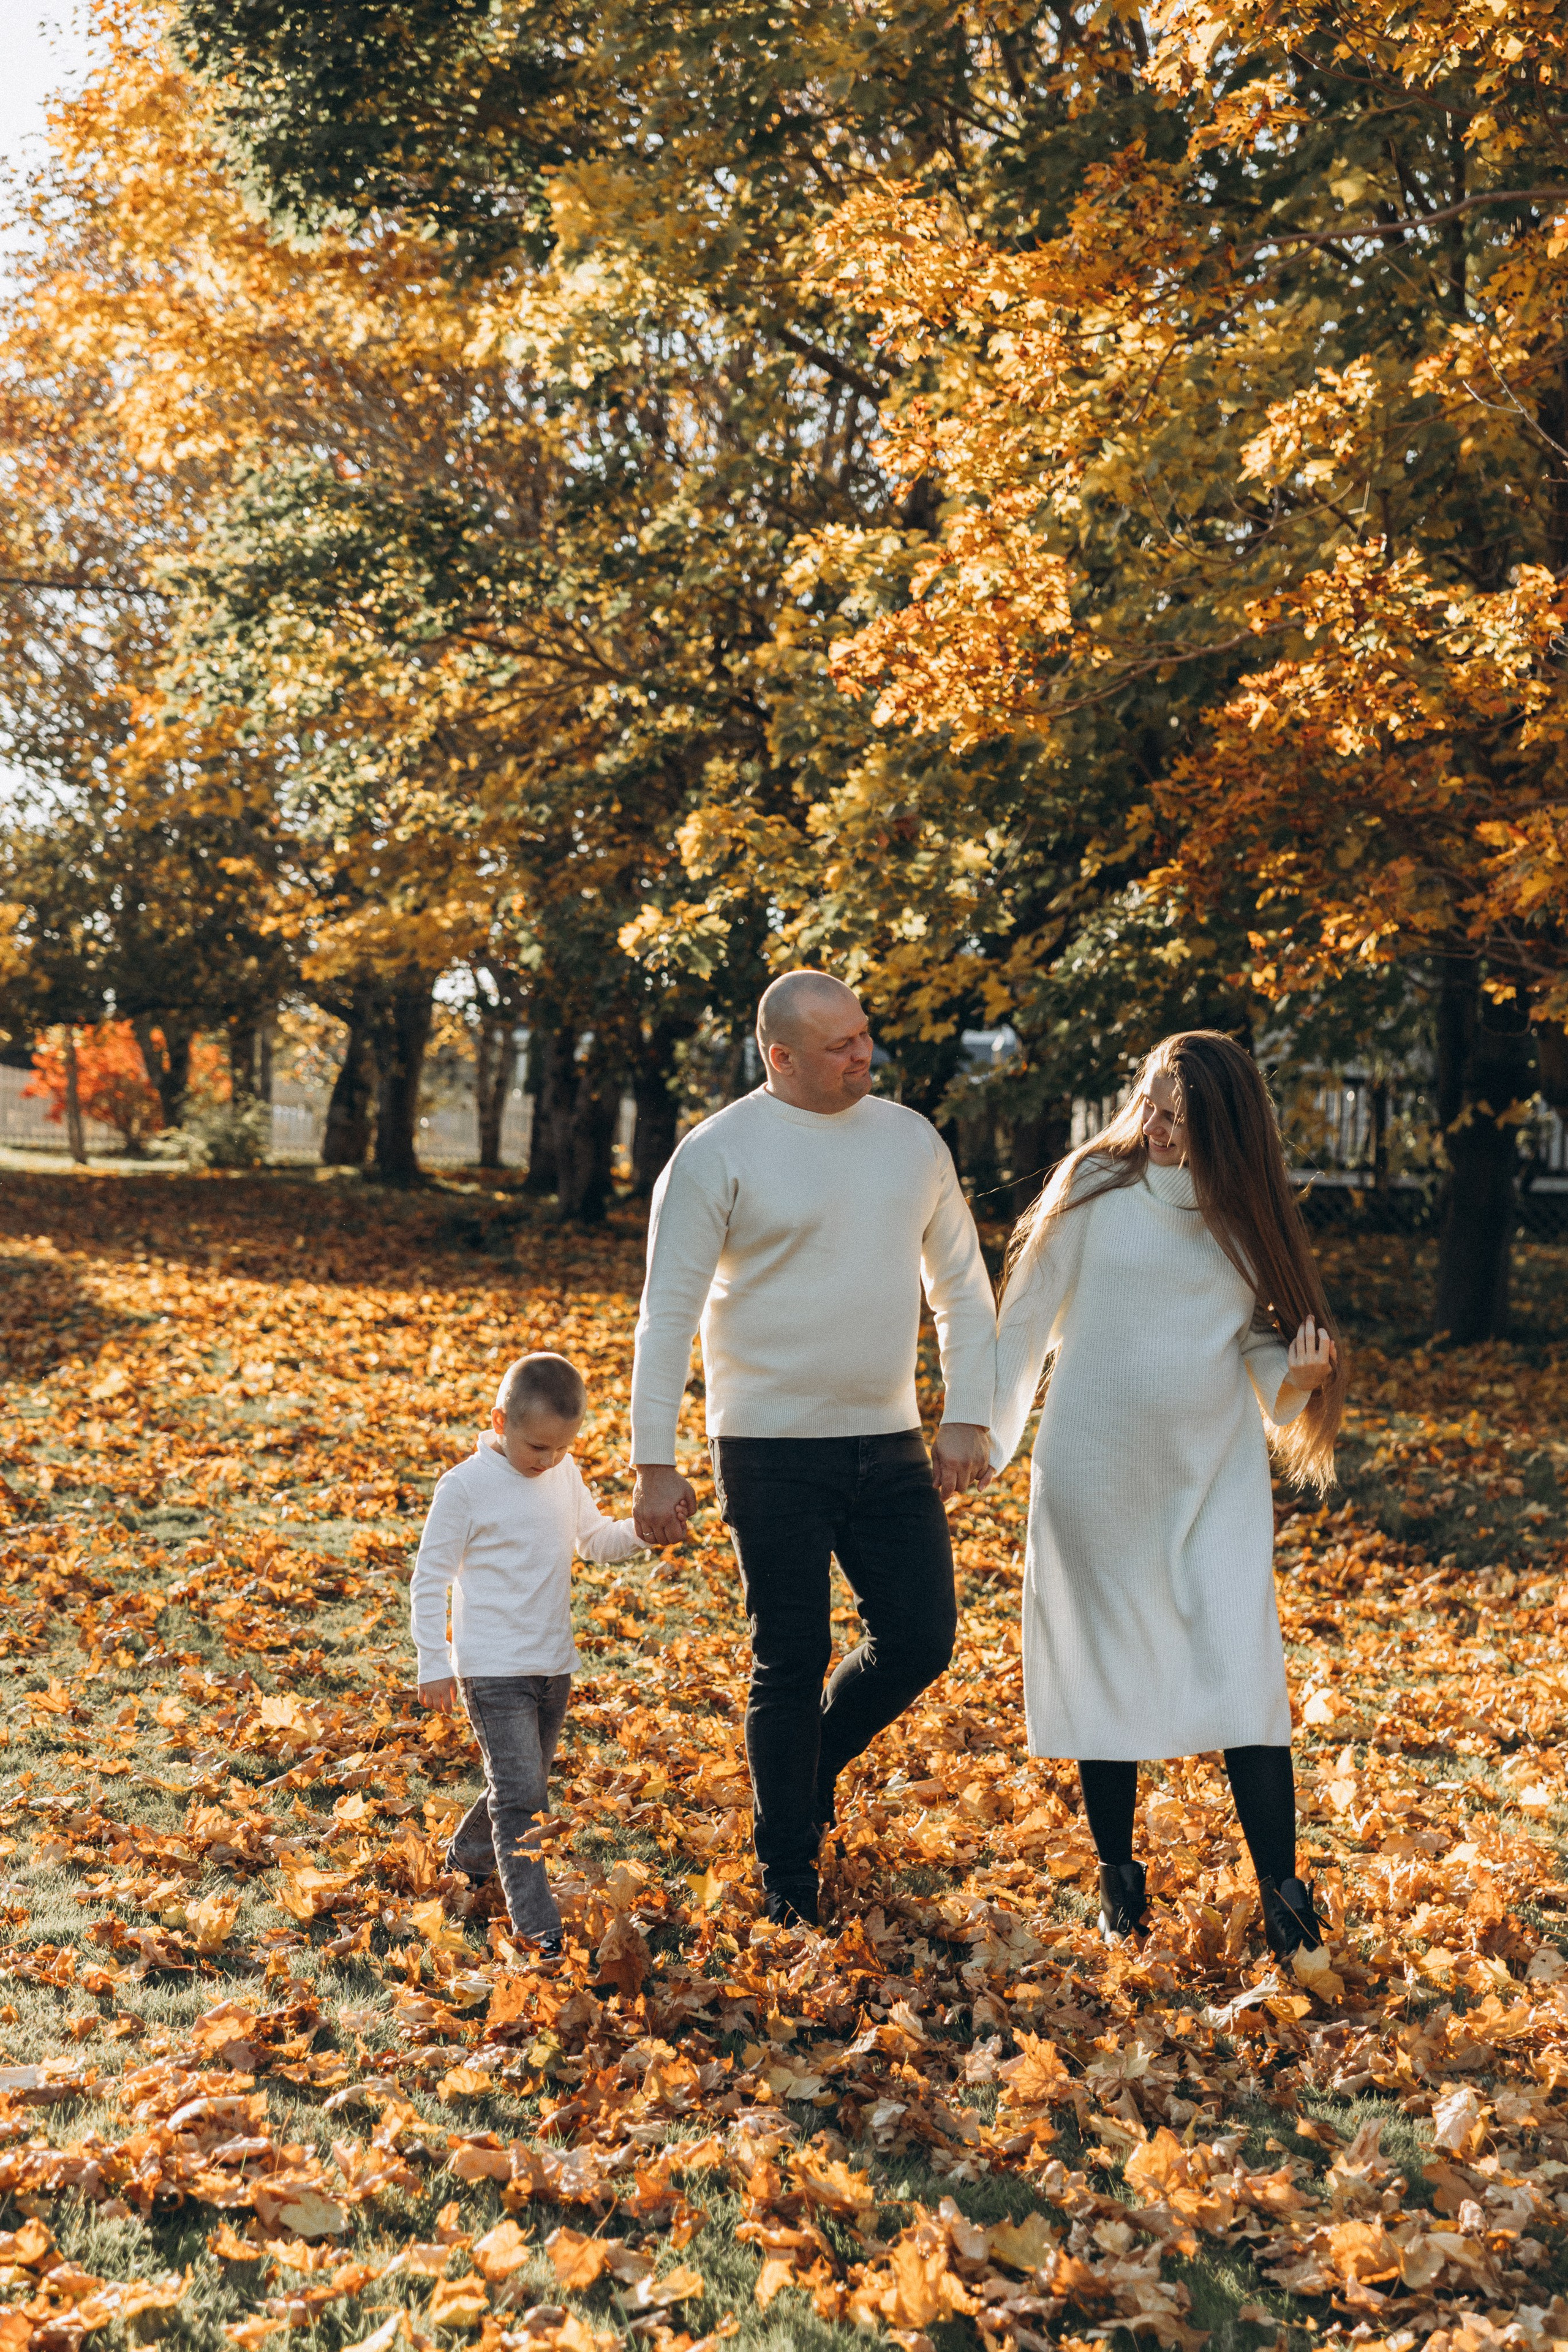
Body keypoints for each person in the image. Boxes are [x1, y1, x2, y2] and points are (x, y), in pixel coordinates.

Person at [630, 971, 997, 1928]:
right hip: (766, 1445)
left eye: (865, 1036)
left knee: (921, 1637)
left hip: (887, 1441)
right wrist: (653, 1460)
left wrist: (968, 1413)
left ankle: (804, 1769)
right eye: (838, 1046)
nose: (862, 1055)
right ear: (778, 1056)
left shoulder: (909, 1140)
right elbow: (666, 1314)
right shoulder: (717, 1155)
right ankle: (788, 1870)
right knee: (788, 1654)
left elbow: (959, 1283)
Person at [990, 1030, 1346, 1958]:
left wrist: (1299, 1377)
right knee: (1105, 1673)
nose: (1157, 1129)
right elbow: (1025, 1324)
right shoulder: (1093, 1194)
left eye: (1181, 1119)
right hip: (1093, 1475)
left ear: (1225, 1128)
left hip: (1211, 1482)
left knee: (1246, 1674)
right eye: (1150, 1104)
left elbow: (1256, 1347)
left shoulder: (1245, 1220)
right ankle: (1119, 1884)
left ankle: (1286, 1899)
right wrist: (978, 1440)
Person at [410, 1350, 644, 1960]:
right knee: (523, 1802)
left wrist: (644, 1530)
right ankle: (539, 1934)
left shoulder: (562, 1475)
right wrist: (433, 1661)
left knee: (520, 1783)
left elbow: (594, 1541)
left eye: (561, 1449)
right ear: (499, 1423)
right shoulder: (464, 1487)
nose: (548, 1461)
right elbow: (428, 1576)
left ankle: (465, 1857)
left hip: (551, 1666)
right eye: (537, 1448)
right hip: (491, 1670)